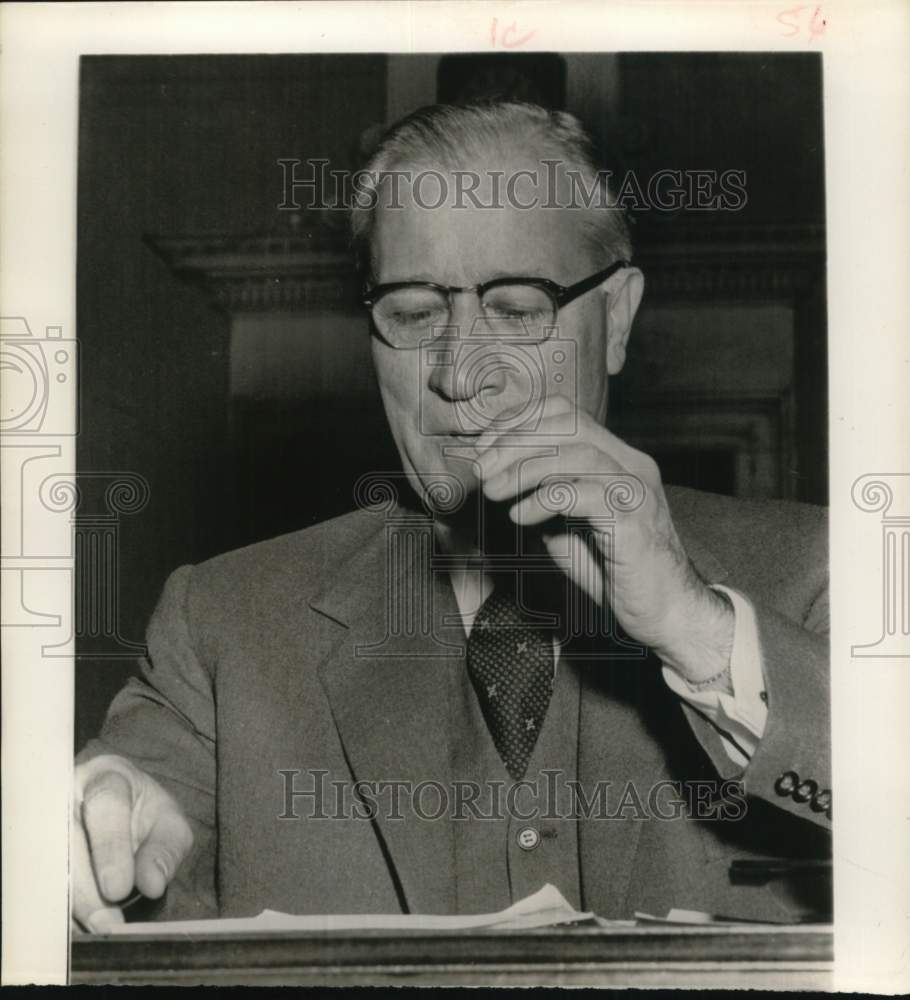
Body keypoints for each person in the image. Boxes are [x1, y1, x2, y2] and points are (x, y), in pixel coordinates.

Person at [73, 102, 830, 932]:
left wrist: (698, 632)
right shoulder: (223, 625)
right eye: (412, 313)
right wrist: (97, 848)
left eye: (517, 308)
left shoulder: (817, 575)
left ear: (616, 319)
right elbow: (129, 833)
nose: (460, 372)